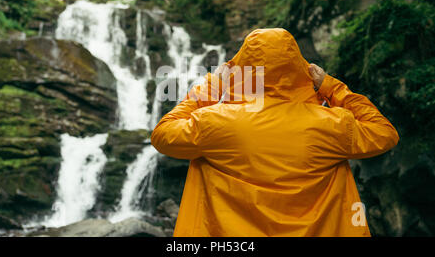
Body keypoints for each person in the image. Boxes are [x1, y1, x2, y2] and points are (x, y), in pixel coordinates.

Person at [151, 28, 399, 237]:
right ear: (300, 68)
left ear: (241, 70)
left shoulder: (214, 123)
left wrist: (212, 87)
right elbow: (384, 133)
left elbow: (162, 134)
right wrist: (330, 87)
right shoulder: (332, 124)